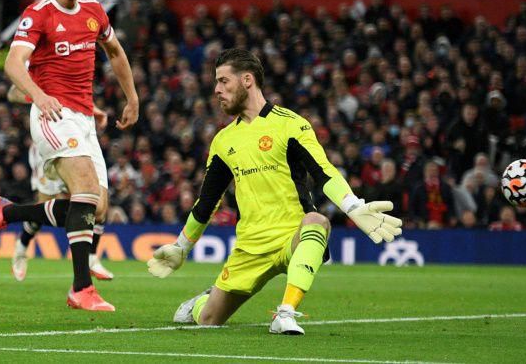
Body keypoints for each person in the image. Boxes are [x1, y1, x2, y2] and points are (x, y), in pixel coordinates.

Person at [147, 48, 402, 335]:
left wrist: (353, 206)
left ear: (247, 80)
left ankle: (286, 313)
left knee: (317, 222)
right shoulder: (223, 141)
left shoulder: (290, 124)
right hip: (250, 247)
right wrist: (182, 247)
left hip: (291, 236)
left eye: (223, 81)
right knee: (208, 320)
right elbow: (207, 202)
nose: (216, 90)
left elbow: (323, 170)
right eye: (216, 83)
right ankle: (202, 302)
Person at [0, 0, 139, 312]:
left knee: (97, 208)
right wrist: (39, 95)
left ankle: (7, 212)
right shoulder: (38, 14)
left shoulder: (95, 12)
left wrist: (132, 98)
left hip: (81, 117)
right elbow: (14, 64)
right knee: (83, 188)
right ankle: (81, 287)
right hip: (51, 115)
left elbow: (116, 53)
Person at [6, 85, 113, 283]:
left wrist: (90, 107)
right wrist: (39, 95)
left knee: (98, 202)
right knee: (43, 206)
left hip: (78, 136)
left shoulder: (76, 57)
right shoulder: (35, 60)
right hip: (50, 141)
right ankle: (21, 247)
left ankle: (92, 257)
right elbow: (13, 93)